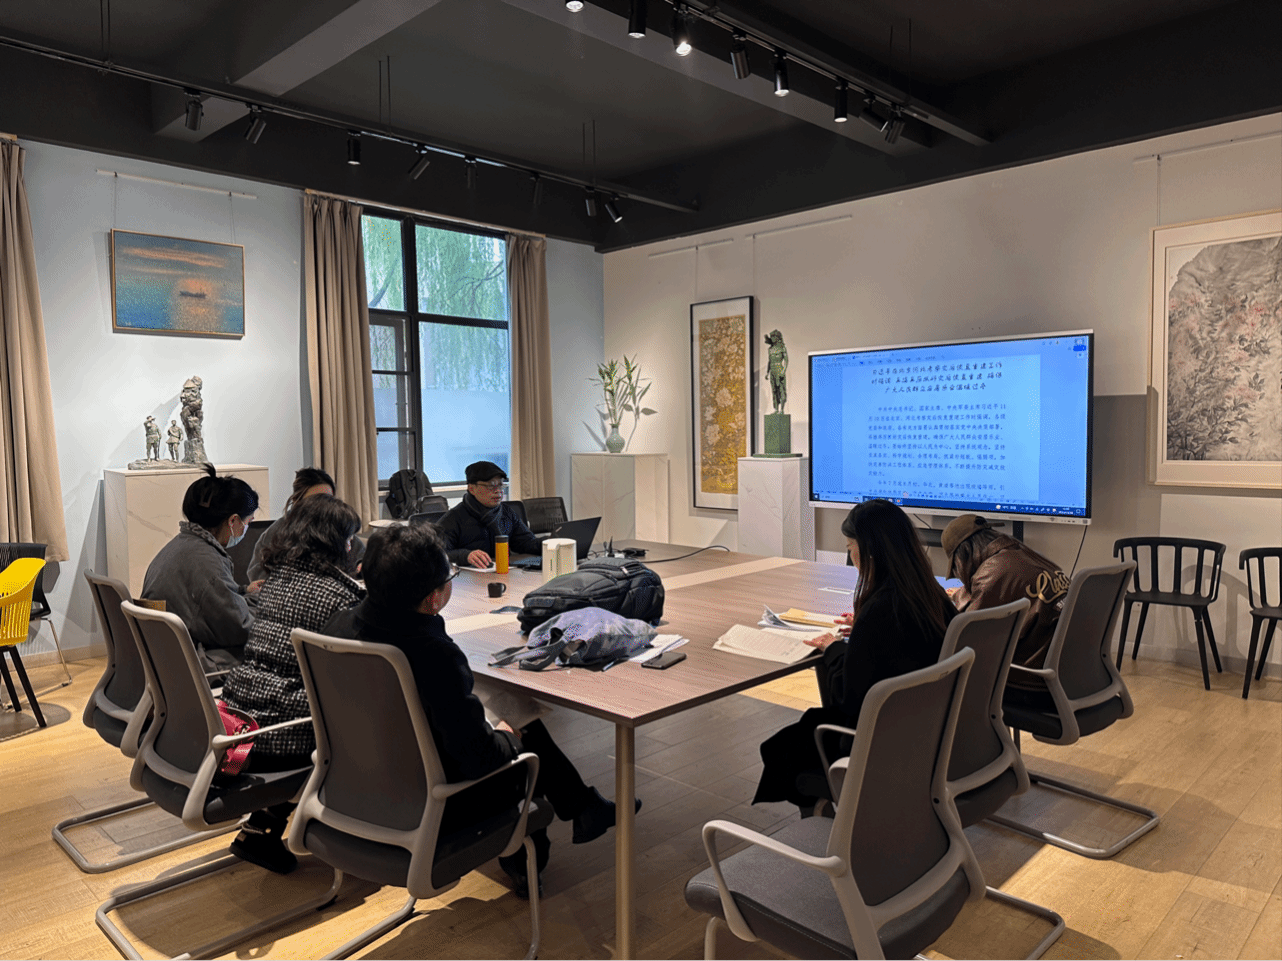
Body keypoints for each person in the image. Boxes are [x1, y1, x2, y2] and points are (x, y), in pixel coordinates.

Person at [323, 523, 637, 898]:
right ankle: (526, 859)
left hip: (356, 782)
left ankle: (583, 807)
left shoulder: (336, 627)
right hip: (431, 799)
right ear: (433, 598)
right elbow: (476, 759)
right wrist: (508, 739)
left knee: (505, 705)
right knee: (524, 741)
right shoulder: (431, 653)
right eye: (450, 578)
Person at [753, 498, 957, 810]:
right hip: (924, 732)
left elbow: (847, 697)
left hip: (875, 743)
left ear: (869, 551)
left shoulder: (879, 611)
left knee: (782, 749)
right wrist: (861, 631)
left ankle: (827, 815)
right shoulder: (931, 595)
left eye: (850, 547)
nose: (851, 556)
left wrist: (833, 647)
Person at [219, 494, 365, 874]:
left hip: (239, 715)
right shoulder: (341, 598)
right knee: (364, 715)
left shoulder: (278, 579)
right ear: (336, 543)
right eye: (350, 538)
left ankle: (261, 829)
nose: (353, 546)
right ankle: (362, 829)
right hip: (281, 730)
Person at [141, 465, 260, 672]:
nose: (246, 529)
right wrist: (264, 603)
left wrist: (243, 592)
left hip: (164, 658)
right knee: (270, 649)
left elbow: (208, 600)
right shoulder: (207, 561)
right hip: (187, 666)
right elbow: (240, 627)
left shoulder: (181, 545)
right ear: (233, 521)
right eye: (248, 522)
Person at [941, 514, 1071, 699]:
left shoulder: (992, 572)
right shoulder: (1025, 555)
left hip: (1036, 682)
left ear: (963, 556)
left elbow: (968, 637)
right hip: (1071, 672)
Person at [246, 466, 365, 582]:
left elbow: (361, 555)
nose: (323, 506)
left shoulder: (336, 526)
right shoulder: (277, 532)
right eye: (315, 500)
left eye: (327, 499)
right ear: (296, 501)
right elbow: (257, 574)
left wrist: (361, 564)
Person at [437, 460, 541, 568]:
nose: (498, 491)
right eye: (491, 486)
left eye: (500, 486)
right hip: (470, 576)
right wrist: (465, 556)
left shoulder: (507, 513)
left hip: (504, 571)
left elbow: (526, 543)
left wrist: (549, 542)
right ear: (472, 489)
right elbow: (437, 554)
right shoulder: (453, 518)